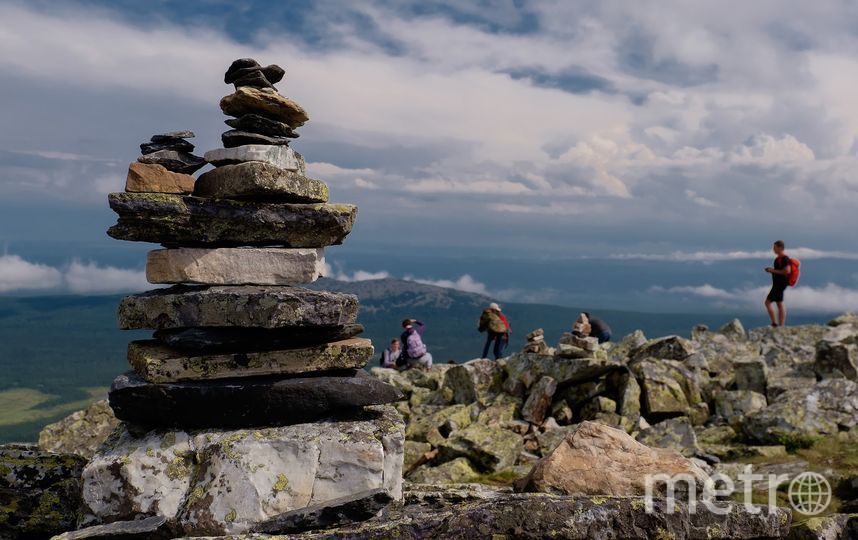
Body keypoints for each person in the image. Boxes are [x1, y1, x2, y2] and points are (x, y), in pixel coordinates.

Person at [764, 240, 792, 327]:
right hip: (778, 284)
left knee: (768, 302)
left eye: (775, 247)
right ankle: (780, 324)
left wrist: (772, 270)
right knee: (779, 303)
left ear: (780, 248)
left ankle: (775, 323)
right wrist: (772, 270)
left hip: (780, 284)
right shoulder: (778, 259)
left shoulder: (784, 259)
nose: (773, 249)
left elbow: (787, 271)